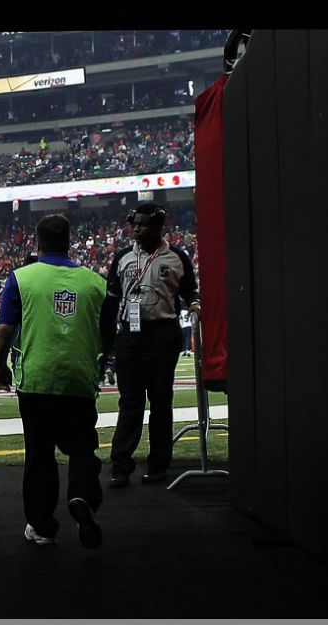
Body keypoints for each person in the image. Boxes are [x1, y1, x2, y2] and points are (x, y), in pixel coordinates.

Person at [0, 214, 115, 549]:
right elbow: (108, 334)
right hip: (78, 378)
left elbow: (5, 330)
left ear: (37, 243)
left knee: (40, 455)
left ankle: (42, 526)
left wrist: (0, 365)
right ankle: (83, 496)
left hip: (37, 379)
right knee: (81, 447)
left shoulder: (21, 278)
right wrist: (100, 360)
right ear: (70, 242)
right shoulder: (96, 283)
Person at [104, 202, 201, 488]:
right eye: (134, 223)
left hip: (162, 333)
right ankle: (121, 466)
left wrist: (195, 306)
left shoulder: (176, 257)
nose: (136, 228)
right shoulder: (122, 258)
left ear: (159, 226)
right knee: (129, 402)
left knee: (161, 402)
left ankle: (159, 464)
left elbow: (190, 293)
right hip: (130, 335)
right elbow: (111, 300)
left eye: (143, 224)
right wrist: (109, 340)